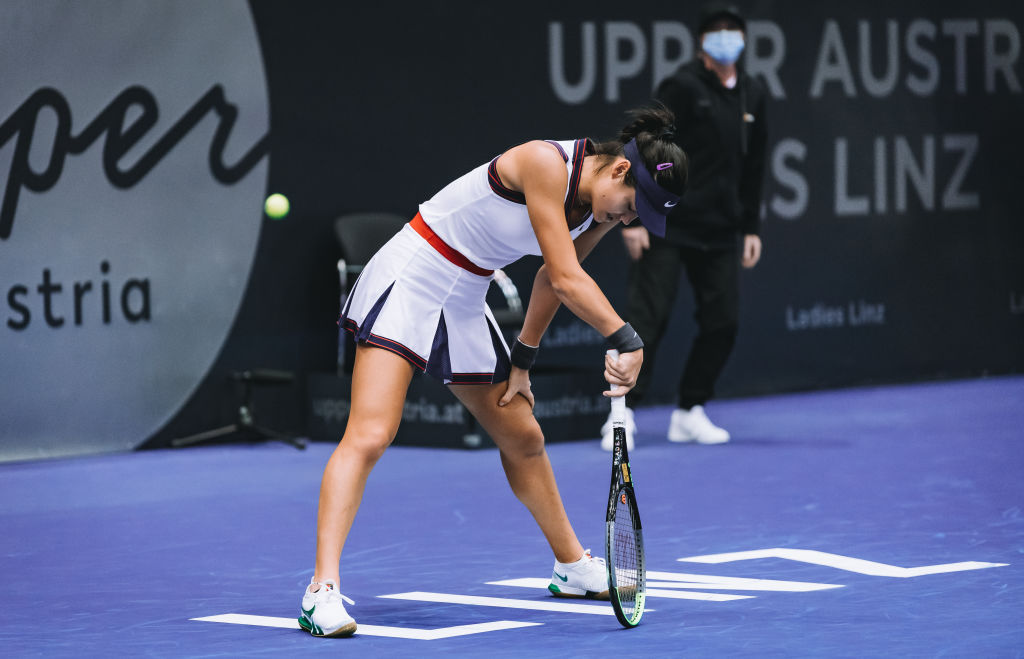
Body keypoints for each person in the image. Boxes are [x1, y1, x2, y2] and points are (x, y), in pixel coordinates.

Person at [299, 107, 688, 637]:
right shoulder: (543, 163)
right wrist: (626, 338)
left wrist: (523, 360)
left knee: (523, 435)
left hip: (466, 291)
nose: (627, 220)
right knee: (371, 433)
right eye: (631, 207)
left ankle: (571, 566)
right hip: (414, 273)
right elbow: (570, 278)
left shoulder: (594, 208)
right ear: (619, 172)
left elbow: (553, 278)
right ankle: (320, 590)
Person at [601, 2, 767, 450]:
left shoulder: (754, 93)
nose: (726, 38)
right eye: (717, 31)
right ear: (702, 42)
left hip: (721, 230)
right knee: (645, 323)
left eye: (734, 30)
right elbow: (645, 144)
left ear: (745, 40)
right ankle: (622, 415)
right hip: (666, 222)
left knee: (723, 323)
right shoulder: (681, 86)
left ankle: (690, 411)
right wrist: (633, 219)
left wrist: (750, 225)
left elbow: (755, 164)